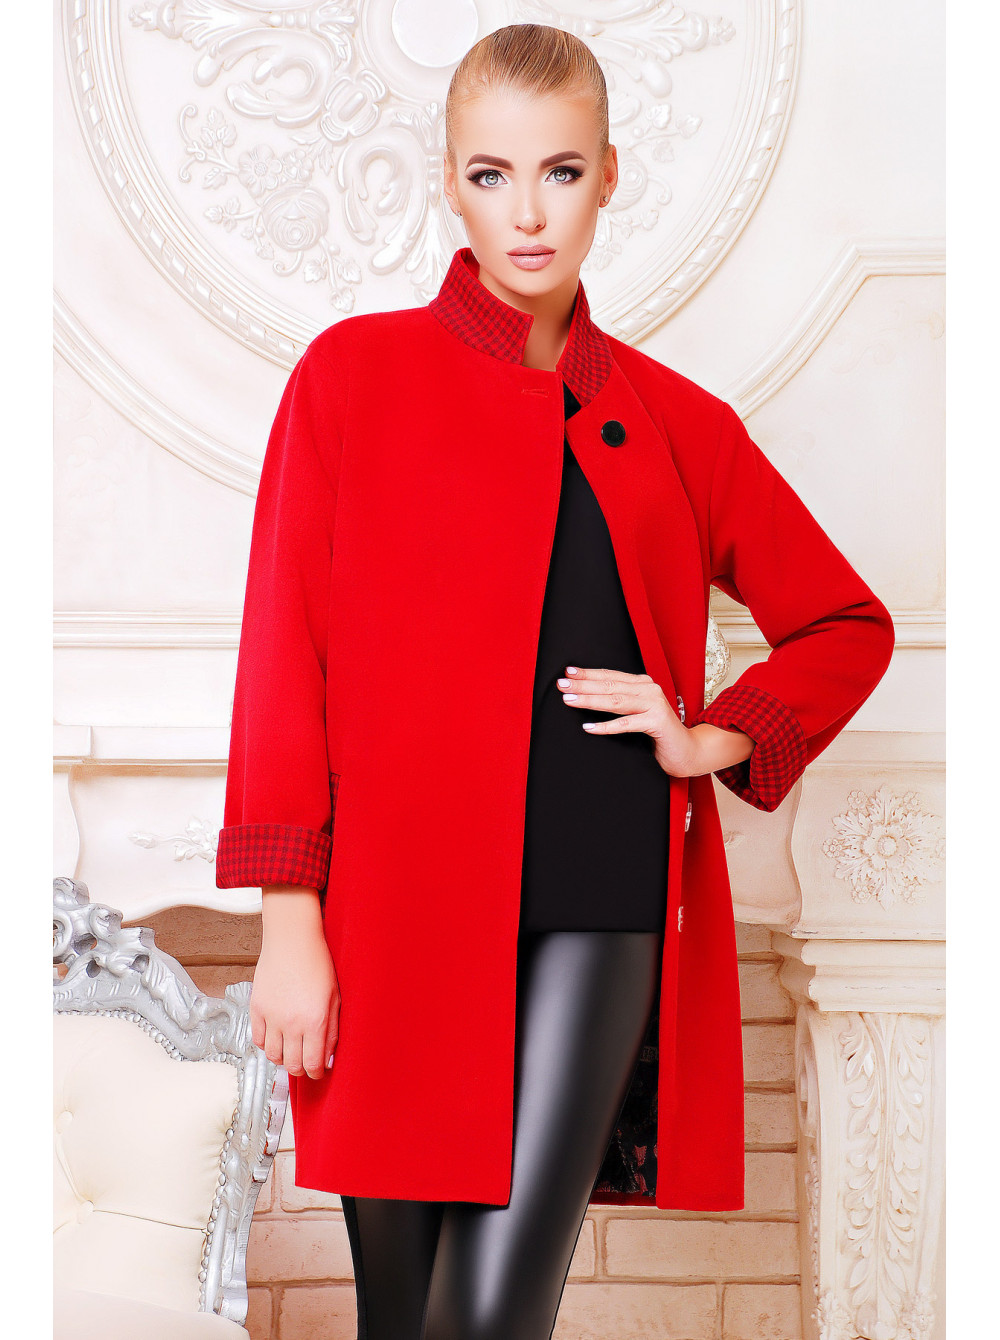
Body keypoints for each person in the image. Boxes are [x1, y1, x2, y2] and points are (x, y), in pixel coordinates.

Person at [215, 23, 895, 1340]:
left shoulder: (680, 422)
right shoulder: (351, 378)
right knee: (401, 1319)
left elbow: (844, 623)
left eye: (562, 172)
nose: (527, 213)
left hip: (600, 900)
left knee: (489, 1320)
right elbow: (282, 656)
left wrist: (710, 736)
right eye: (492, 174)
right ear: (449, 182)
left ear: (609, 176)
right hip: (396, 908)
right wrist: (289, 921)